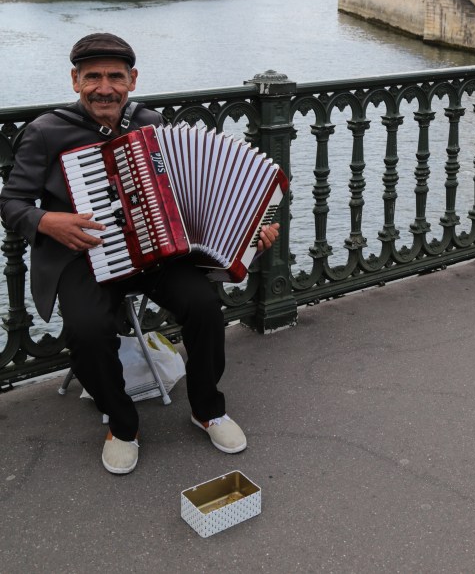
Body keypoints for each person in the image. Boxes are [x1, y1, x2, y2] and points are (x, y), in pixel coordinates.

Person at [0, 32, 279, 475]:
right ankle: (122, 424)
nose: (105, 87)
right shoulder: (46, 132)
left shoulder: (149, 122)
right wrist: (48, 222)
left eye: (115, 76)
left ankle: (207, 408)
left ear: (132, 79)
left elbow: (191, 194)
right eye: (93, 77)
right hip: (85, 256)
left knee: (204, 306)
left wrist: (250, 232)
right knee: (87, 329)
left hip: (155, 252)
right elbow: (11, 204)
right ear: (75, 81)